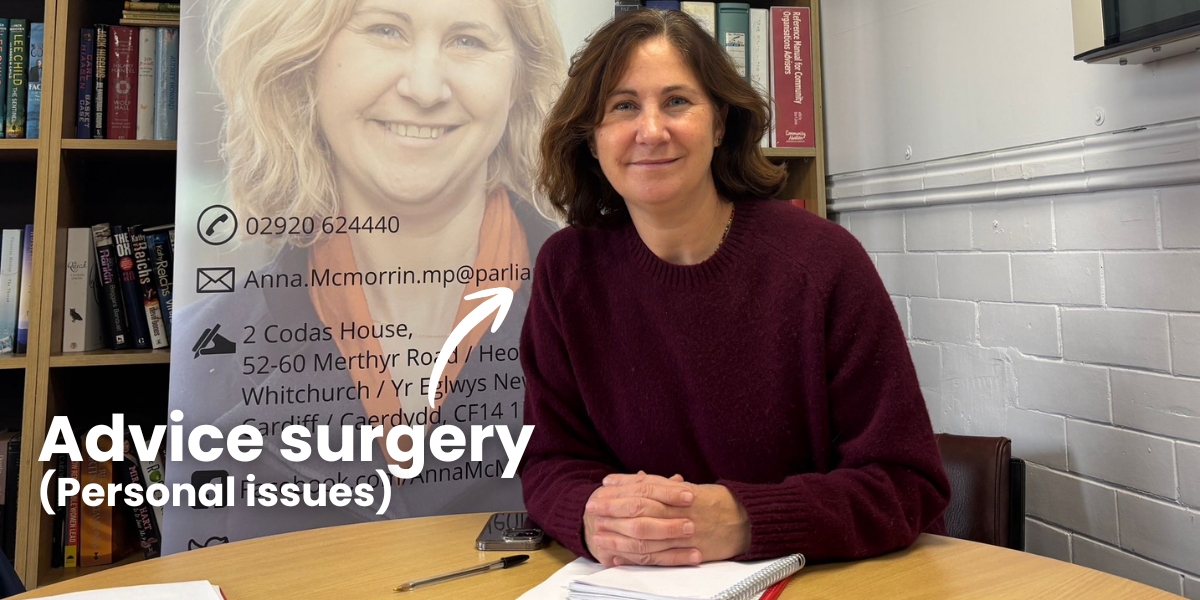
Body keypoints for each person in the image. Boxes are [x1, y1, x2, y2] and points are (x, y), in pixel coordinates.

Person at [519, 10, 951, 569]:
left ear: (720, 122)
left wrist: (744, 519)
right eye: (623, 106)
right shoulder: (566, 270)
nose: (651, 131)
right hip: (636, 584)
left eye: (677, 101)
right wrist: (592, 516)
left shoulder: (822, 261)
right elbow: (550, 462)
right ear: (592, 136)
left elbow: (906, 484)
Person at [165, 0, 568, 551]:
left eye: (467, 40)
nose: (426, 88)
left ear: (520, 78)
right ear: (302, 63)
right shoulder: (200, 356)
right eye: (386, 30)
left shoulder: (613, 319)